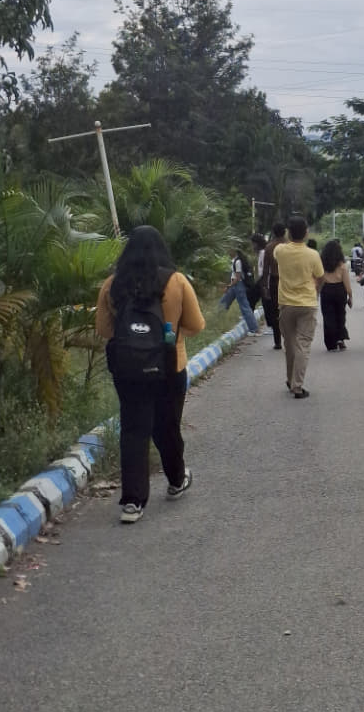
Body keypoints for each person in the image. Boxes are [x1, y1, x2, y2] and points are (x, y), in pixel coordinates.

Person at [95, 225, 205, 524]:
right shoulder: (177, 281)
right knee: (167, 426)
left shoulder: (112, 285)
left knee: (133, 430)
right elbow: (197, 325)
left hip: (127, 369)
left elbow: (104, 330)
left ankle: (132, 503)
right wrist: (167, 336)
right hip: (170, 366)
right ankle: (176, 479)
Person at [273, 215, 325, 398]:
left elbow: (278, 253)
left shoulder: (280, 250)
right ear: (306, 233)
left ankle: (290, 379)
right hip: (307, 304)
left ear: (288, 232)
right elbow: (320, 276)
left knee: (290, 344)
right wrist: (316, 290)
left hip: (286, 304)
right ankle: (297, 386)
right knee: (303, 345)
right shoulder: (313, 254)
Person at [319, 239, 353, 351]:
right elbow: (346, 283)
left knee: (328, 317)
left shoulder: (322, 265)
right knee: (340, 315)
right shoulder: (342, 266)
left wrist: (317, 292)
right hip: (339, 291)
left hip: (326, 290)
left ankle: (331, 343)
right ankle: (340, 339)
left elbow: (320, 280)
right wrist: (350, 296)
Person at [220, 246, 260, 334]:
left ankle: (254, 329)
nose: (228, 252)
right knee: (223, 303)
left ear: (234, 250)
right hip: (235, 286)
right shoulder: (235, 260)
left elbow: (237, 277)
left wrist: (229, 285)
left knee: (245, 307)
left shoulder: (238, 261)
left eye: (229, 250)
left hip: (238, 286)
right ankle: (217, 324)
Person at [261, 222, 286, 350]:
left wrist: (264, 286)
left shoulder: (269, 247)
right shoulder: (289, 246)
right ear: (285, 232)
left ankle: (277, 341)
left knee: (276, 311)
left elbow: (265, 269)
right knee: (288, 308)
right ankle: (289, 338)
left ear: (273, 232)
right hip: (288, 280)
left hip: (275, 281)